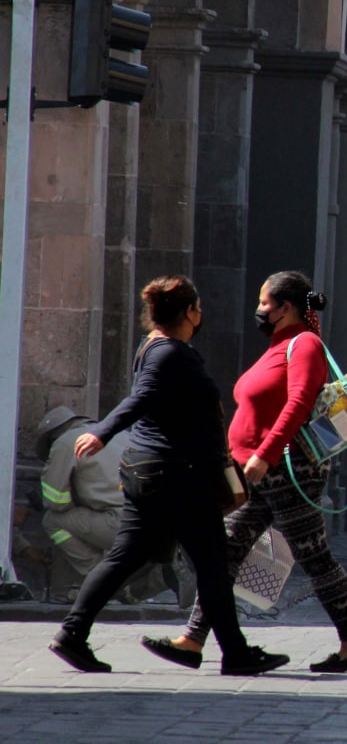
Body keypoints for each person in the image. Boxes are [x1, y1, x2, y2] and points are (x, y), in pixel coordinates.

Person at [48, 275, 289, 676]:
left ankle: (73, 634)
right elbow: (141, 398)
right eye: (198, 307)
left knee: (129, 557)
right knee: (211, 565)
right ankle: (236, 653)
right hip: (178, 477)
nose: (202, 314)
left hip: (156, 473)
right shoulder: (169, 354)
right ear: (190, 312)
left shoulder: (156, 349)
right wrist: (102, 431)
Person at [145, 270, 347, 674]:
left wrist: (266, 453)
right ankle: (193, 640)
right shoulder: (278, 346)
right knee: (226, 551)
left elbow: (300, 402)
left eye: (265, 303)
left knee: (313, 555)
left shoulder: (305, 345)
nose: (259, 310)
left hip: (288, 469)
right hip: (258, 471)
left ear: (286, 308)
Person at [35, 406, 176, 605]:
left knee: (52, 520)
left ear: (52, 436)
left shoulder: (65, 442)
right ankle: (143, 576)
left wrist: (76, 499)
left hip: (124, 523)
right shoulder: (119, 434)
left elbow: (56, 502)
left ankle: (101, 579)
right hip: (162, 523)